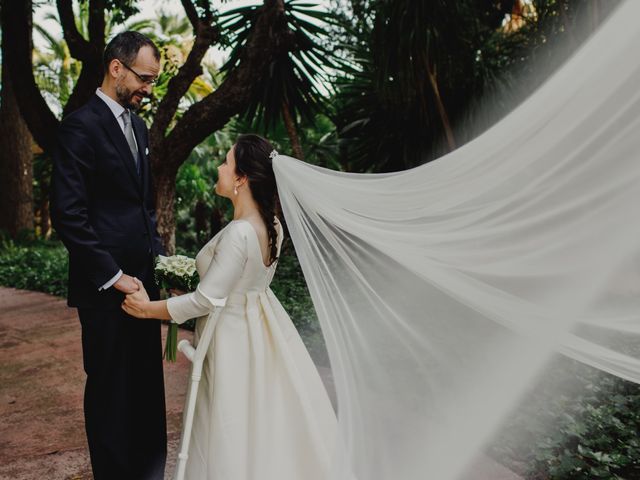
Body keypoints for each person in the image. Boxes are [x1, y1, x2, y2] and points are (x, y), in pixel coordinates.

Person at [122, 134, 338, 479]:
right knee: (259, 420)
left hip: (231, 339)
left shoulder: (239, 233)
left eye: (226, 162)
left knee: (227, 422)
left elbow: (206, 299)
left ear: (241, 178)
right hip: (261, 332)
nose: (220, 168)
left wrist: (148, 308)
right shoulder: (274, 227)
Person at [50, 31, 167, 479]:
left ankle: (150, 471)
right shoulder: (79, 126)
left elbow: (145, 207)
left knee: (144, 388)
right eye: (144, 78)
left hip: (144, 287)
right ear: (116, 67)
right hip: (105, 291)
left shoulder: (139, 127)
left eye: (154, 81)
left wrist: (159, 263)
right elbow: (69, 214)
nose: (148, 89)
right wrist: (114, 276)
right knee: (110, 392)